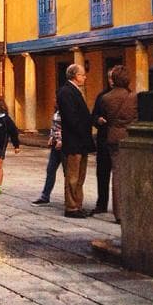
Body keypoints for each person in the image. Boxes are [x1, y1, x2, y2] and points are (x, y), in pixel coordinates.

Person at [96, 65, 137, 223]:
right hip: (128, 136)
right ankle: (128, 208)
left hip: (112, 136)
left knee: (117, 174)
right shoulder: (134, 97)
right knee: (128, 173)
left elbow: (105, 115)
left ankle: (118, 211)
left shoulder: (106, 98)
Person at [57, 63, 93, 218]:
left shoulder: (75, 91)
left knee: (80, 175)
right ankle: (71, 206)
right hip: (74, 141)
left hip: (81, 141)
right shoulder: (66, 91)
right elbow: (71, 117)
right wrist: (83, 130)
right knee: (72, 176)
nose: (84, 77)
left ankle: (78, 204)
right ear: (74, 76)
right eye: (82, 75)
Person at [91, 68, 116, 215]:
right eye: (109, 78)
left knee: (118, 175)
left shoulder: (128, 96)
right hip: (103, 138)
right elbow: (94, 115)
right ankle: (102, 203)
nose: (111, 81)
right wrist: (97, 120)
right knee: (102, 173)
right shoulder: (102, 96)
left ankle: (118, 205)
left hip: (117, 139)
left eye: (113, 78)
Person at [33, 105, 62, 205]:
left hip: (64, 144)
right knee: (50, 169)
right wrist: (51, 137)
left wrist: (61, 140)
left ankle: (70, 199)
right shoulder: (57, 111)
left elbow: (68, 126)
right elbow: (54, 126)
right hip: (55, 144)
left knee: (68, 173)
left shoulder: (67, 109)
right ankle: (45, 196)